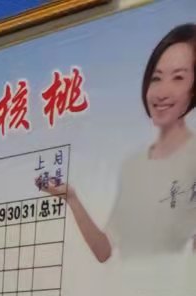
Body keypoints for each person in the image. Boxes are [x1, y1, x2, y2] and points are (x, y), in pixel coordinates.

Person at [47, 24, 196, 261]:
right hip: (128, 284)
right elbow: (104, 250)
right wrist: (71, 198)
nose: (161, 92)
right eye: (156, 78)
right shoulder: (132, 165)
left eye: (178, 78)